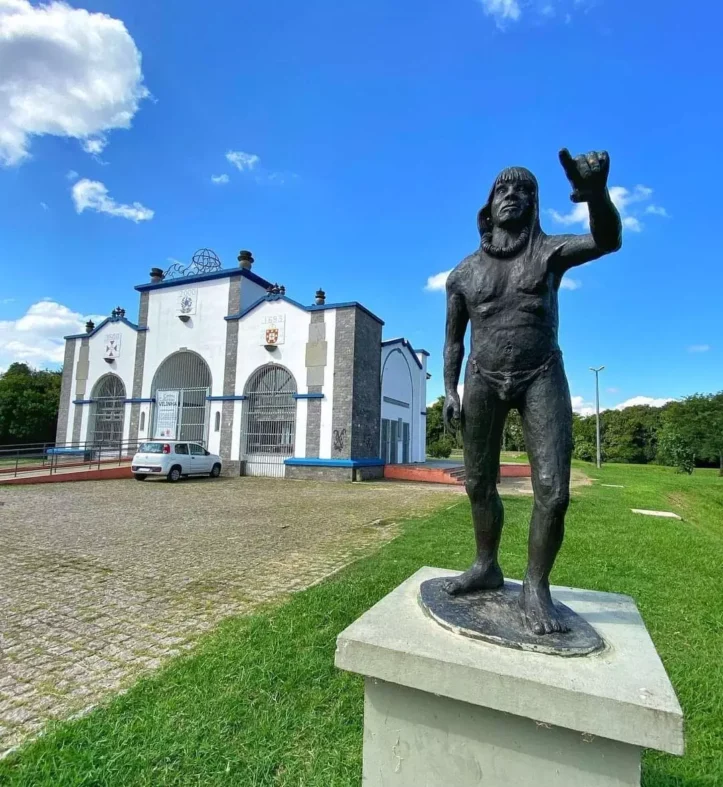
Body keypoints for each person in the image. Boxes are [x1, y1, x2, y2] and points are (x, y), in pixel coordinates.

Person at [442, 149, 622, 635]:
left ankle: (536, 587)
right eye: (503, 189)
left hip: (541, 373)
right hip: (482, 376)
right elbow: (453, 340)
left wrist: (596, 192)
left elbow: (608, 240)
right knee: (478, 483)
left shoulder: (548, 252)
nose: (512, 196)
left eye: (524, 191)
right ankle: (486, 565)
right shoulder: (462, 275)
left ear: (535, 204)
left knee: (554, 492)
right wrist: (449, 390)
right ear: (489, 203)